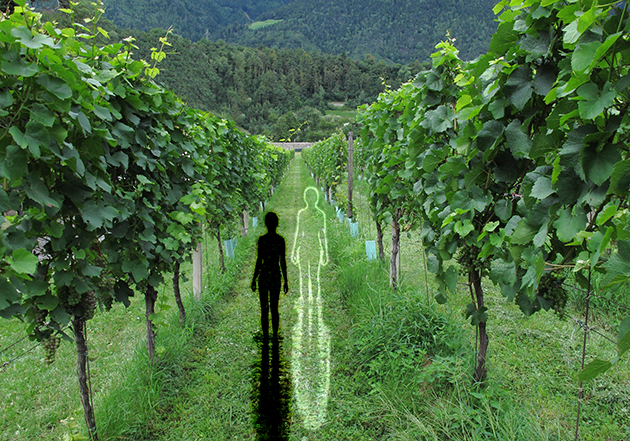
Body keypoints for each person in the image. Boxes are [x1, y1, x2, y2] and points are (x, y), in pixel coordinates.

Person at [251, 212, 288, 341]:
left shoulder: (262, 240)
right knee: (274, 307)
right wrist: (286, 280)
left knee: (264, 308)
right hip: (275, 276)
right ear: (277, 224)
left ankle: (266, 335)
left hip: (264, 275)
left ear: (266, 224)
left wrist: (254, 278)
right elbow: (282, 262)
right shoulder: (280, 240)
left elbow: (259, 260)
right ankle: (275, 334)